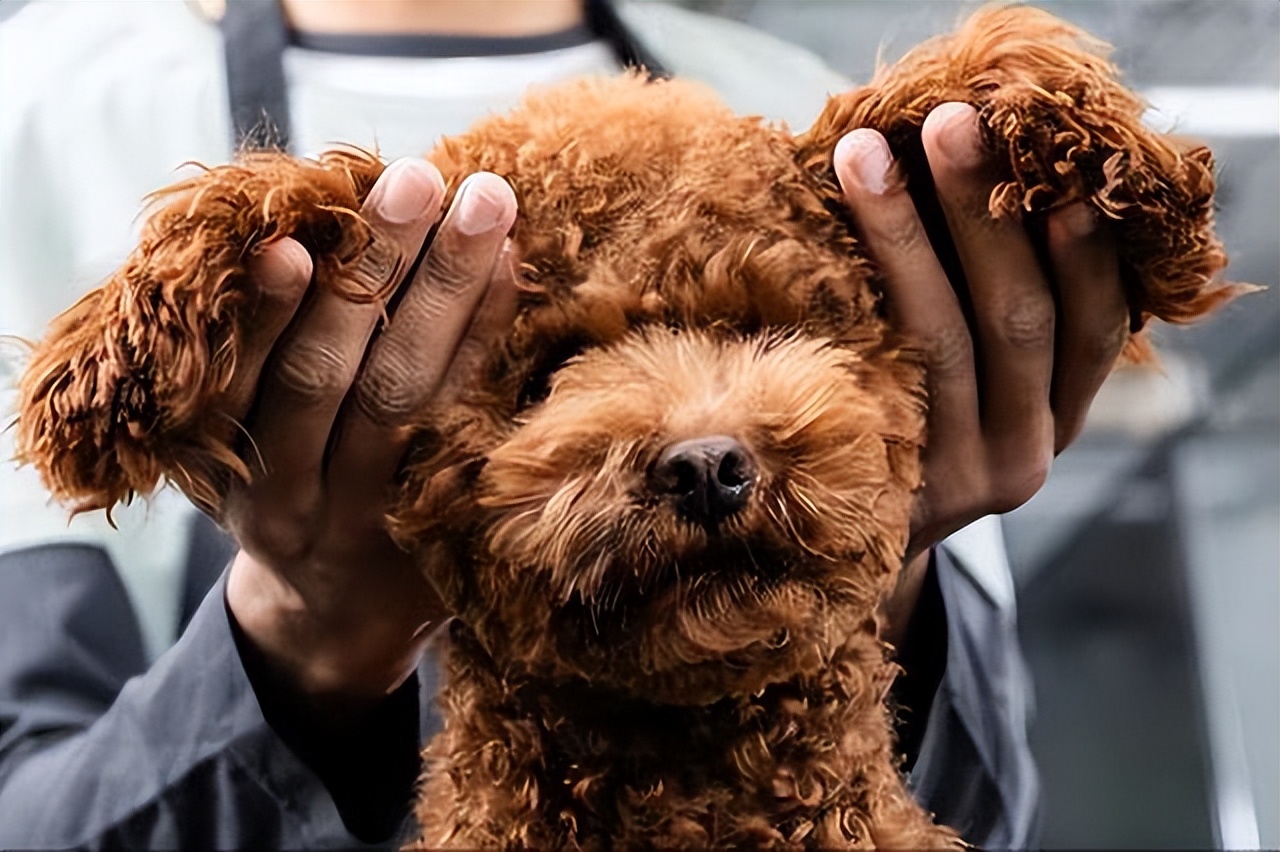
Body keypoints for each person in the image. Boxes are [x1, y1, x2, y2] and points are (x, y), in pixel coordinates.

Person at [0, 1, 1128, 847]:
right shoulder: (40, 111)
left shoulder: (811, 108)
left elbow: (985, 804)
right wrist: (302, 641)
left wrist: (861, 551)